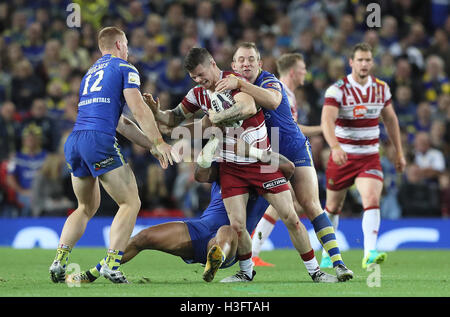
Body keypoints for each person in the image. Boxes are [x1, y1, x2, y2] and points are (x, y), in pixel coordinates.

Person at [143, 47, 336, 283]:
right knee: (236, 225)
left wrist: (218, 118)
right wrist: (157, 113)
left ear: (213, 64)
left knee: (291, 217)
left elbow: (248, 107)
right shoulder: (197, 94)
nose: (199, 80)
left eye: (201, 74)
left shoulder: (235, 82)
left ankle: (316, 271)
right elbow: (173, 119)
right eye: (194, 77)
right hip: (231, 166)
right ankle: (246, 271)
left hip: (260, 160)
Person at [66, 139, 338, 284]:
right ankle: (95, 271)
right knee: (142, 237)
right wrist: (208, 155)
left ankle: (215, 258)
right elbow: (199, 174)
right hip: (197, 230)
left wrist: (256, 152)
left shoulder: (264, 173)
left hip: (232, 241)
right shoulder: (226, 168)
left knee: (229, 228)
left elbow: (288, 168)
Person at [214, 42, 353, 281]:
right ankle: (247, 266)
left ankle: (337, 263)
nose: (246, 63)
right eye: (241, 60)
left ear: (260, 64)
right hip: (264, 156)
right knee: (268, 210)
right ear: (233, 65)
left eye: (251, 59)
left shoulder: (269, 81)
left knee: (309, 203)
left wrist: (240, 83)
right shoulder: (229, 91)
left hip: (292, 148)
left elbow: (273, 101)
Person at [49, 26, 176, 284]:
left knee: (86, 207)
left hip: (75, 142)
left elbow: (122, 123)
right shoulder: (125, 68)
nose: (128, 49)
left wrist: (151, 146)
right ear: (119, 44)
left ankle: (59, 261)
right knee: (131, 202)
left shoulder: (89, 74)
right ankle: (112, 264)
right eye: (127, 44)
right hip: (98, 140)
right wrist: (160, 141)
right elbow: (139, 109)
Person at [321, 43, 406, 269]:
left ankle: (369, 252)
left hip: (369, 156)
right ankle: (327, 252)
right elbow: (326, 121)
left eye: (368, 60)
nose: (364, 64)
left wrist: (399, 151)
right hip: (342, 157)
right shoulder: (337, 89)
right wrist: (335, 147)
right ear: (351, 62)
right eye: (360, 60)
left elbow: (391, 120)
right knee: (333, 208)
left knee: (371, 199)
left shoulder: (381, 88)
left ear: (372, 62)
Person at [248, 53, 321, 267]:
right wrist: (323, 129)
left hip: (275, 150)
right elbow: (293, 129)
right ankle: (247, 251)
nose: (305, 72)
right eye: (303, 68)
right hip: (273, 150)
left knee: (279, 203)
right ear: (293, 72)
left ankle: (252, 251)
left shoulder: (287, 93)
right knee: (281, 201)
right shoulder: (281, 92)